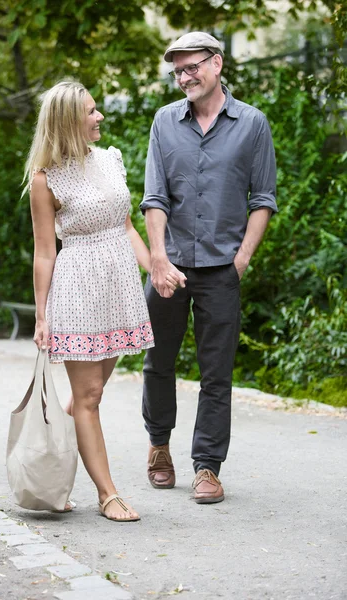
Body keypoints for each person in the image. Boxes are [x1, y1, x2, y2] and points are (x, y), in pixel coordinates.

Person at [140, 32, 278, 504]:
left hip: (222, 269)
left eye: (191, 66)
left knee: (216, 373)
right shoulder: (164, 122)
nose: (184, 77)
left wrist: (240, 260)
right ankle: (159, 447)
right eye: (177, 70)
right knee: (158, 363)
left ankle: (207, 467)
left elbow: (263, 199)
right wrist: (157, 257)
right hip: (168, 265)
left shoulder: (253, 124)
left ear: (216, 64)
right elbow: (154, 196)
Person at [24, 80, 161, 521]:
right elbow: (45, 251)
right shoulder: (45, 179)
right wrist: (42, 315)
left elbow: (125, 227)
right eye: (91, 111)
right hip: (78, 287)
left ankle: (50, 474)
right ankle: (108, 493)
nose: (99, 117)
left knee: (90, 394)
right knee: (88, 395)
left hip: (118, 286)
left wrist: (155, 269)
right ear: (68, 122)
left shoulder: (111, 159)